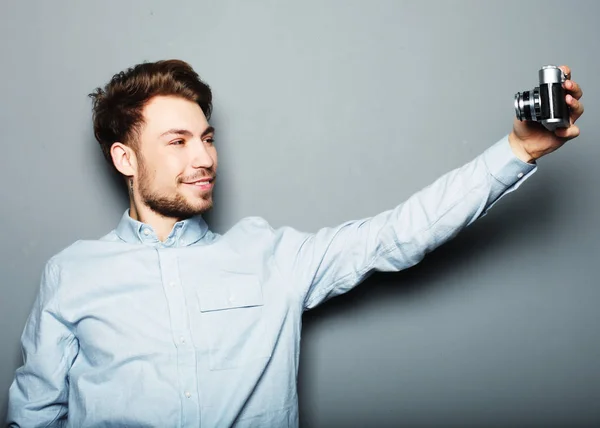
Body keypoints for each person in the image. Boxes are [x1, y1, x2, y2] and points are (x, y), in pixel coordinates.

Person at [7, 59, 584, 427]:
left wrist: (518, 150)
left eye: (207, 138)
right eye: (178, 142)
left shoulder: (273, 257)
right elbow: (32, 416)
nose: (205, 158)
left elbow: (399, 234)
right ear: (126, 158)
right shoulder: (72, 274)